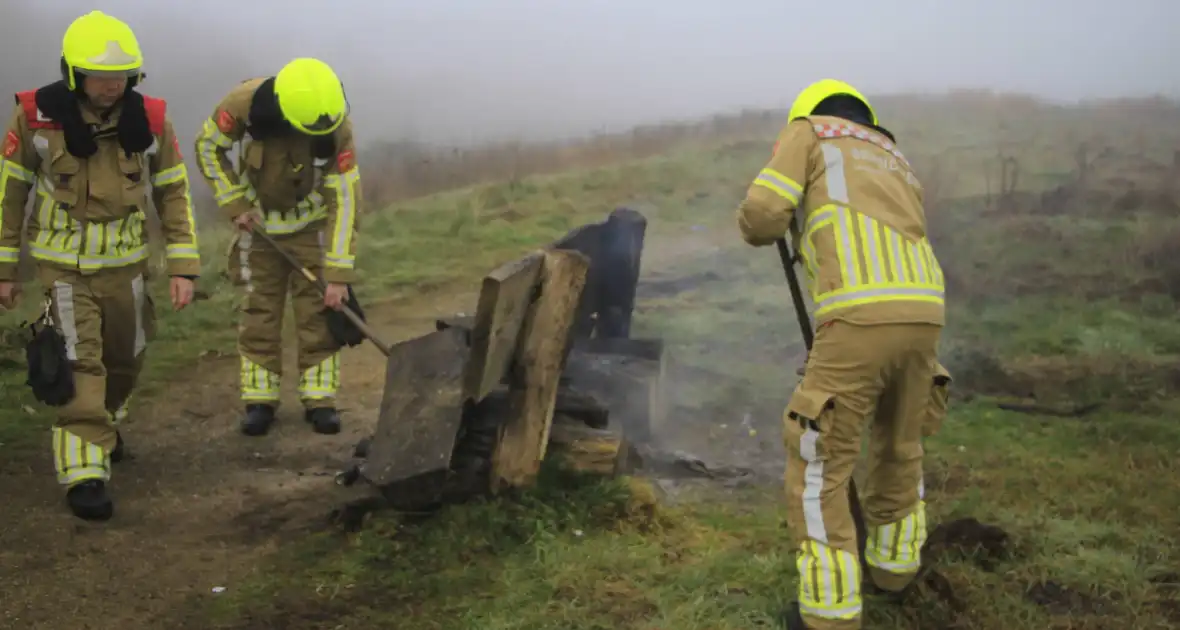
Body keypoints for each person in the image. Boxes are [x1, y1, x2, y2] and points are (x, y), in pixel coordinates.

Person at [735, 79, 952, 630]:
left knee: (819, 461)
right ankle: (895, 572)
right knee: (900, 444)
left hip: (857, 316)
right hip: (925, 314)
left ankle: (828, 614)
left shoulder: (809, 133)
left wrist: (774, 219)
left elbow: (761, 216)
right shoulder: (893, 153)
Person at [0, 11, 200, 521]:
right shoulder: (33, 119)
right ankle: (84, 471)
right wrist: (5, 269)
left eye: (121, 77)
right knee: (79, 364)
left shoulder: (152, 122)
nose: (112, 86)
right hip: (61, 269)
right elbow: (10, 195)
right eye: (101, 76)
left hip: (128, 268)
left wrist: (183, 265)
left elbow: (173, 192)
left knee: (124, 360)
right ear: (73, 73)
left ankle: (101, 428)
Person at [192, 58, 362, 437]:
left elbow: (346, 199)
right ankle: (260, 401)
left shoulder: (336, 127)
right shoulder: (242, 105)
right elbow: (207, 148)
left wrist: (338, 276)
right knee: (259, 312)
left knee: (318, 313)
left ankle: (320, 400)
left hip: (312, 229)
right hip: (259, 229)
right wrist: (235, 203)